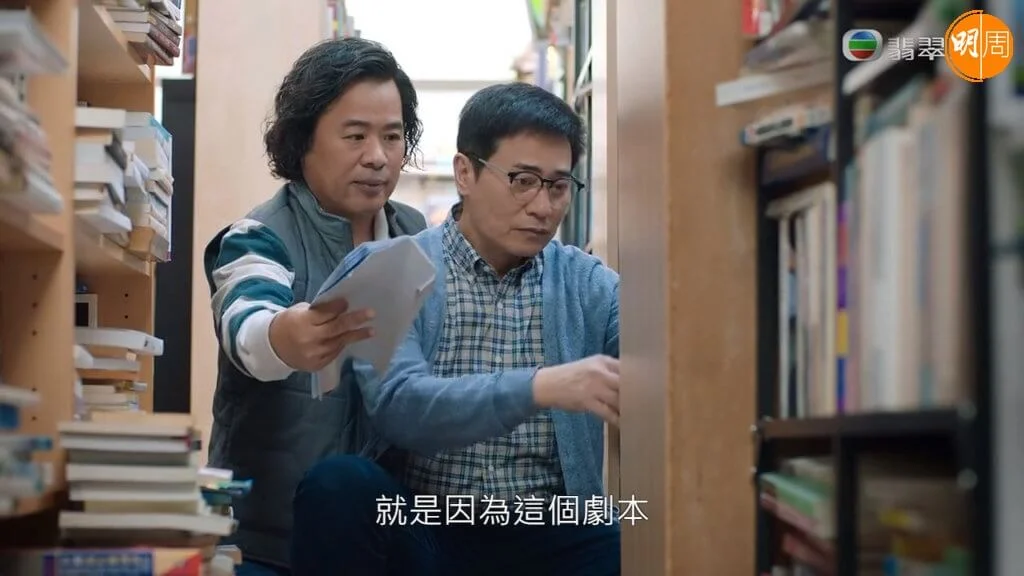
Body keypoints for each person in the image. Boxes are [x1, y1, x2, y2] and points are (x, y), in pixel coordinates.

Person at [291, 82, 622, 575]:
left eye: (558, 187)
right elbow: (400, 406)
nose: (543, 207)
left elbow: (664, 363)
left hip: (548, 529)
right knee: (339, 485)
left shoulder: (589, 284)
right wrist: (539, 387)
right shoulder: (390, 269)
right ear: (465, 172)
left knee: (622, 536)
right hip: (427, 527)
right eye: (523, 181)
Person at [201, 37, 427, 575]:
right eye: (355, 136)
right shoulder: (260, 235)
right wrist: (285, 335)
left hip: (377, 534)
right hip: (267, 541)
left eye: (392, 136)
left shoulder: (415, 235)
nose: (377, 157)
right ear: (303, 141)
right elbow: (246, 323)